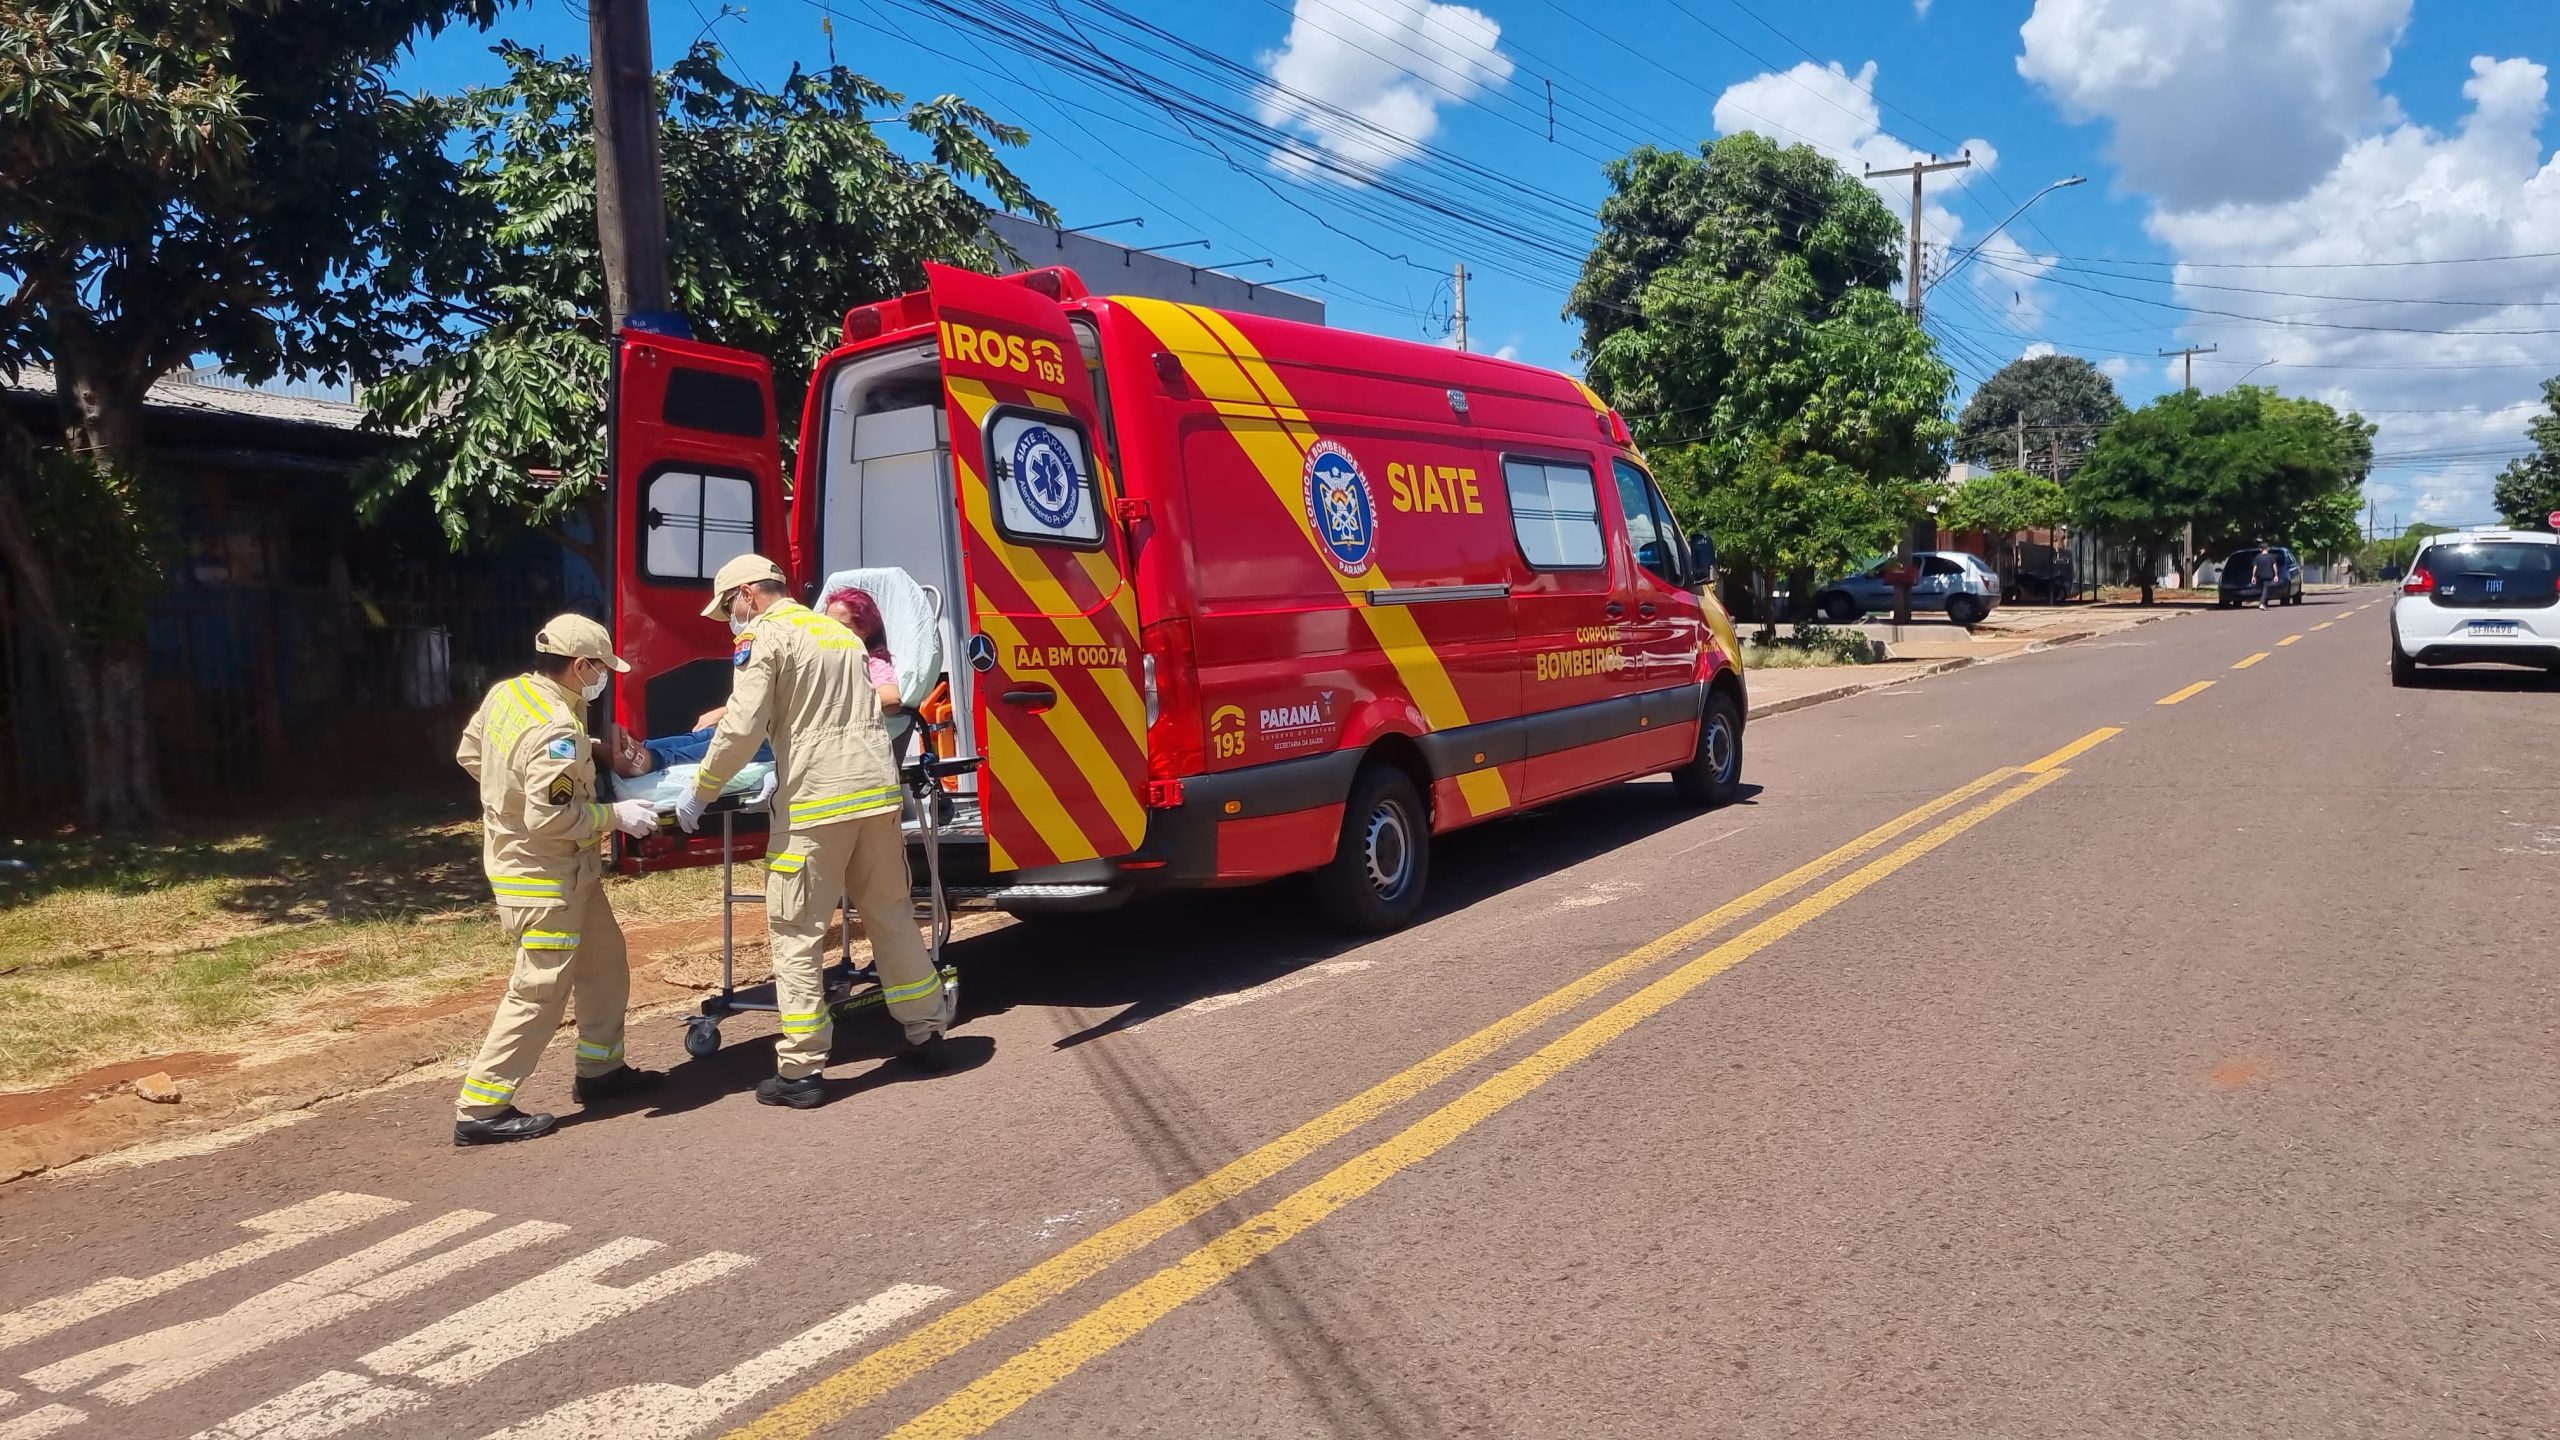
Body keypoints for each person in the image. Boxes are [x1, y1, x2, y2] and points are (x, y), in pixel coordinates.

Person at [676, 555, 953, 1108]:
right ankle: (926, 1031)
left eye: (730, 605)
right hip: (875, 793)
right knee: (891, 916)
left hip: (815, 805)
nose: (730, 616)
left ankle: (801, 1070)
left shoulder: (764, 636)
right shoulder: (838, 633)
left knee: (797, 930)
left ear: (748, 594)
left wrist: (701, 790)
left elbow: (744, 724)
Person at [452, 614, 663, 1145]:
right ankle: (481, 1107)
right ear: (580, 666)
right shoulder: (555, 728)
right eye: (601, 668)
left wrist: (526, 787)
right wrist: (616, 817)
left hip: (565, 872)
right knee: (538, 989)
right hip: (543, 876)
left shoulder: (511, 694)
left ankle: (601, 1072)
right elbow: (550, 818)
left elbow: (472, 754)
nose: (604, 677)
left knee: (605, 964)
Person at [822, 585, 905, 714]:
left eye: (842, 627)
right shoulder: (819, 657)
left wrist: (837, 706)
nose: (831, 632)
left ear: (865, 630)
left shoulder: (871, 663)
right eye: (827, 625)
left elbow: (891, 700)